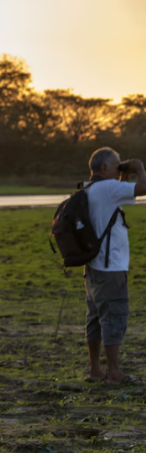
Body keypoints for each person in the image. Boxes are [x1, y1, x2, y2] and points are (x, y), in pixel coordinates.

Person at [82, 147, 146, 385]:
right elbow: (143, 188)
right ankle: (115, 373)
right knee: (114, 317)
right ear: (104, 168)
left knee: (96, 318)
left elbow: (124, 194)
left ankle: (96, 370)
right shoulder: (108, 189)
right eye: (117, 165)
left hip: (93, 267)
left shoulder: (90, 188)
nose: (121, 167)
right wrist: (138, 167)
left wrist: (123, 174)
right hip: (111, 269)